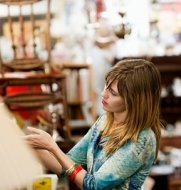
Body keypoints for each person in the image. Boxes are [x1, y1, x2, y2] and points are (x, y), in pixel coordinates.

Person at [24, 59, 162, 190]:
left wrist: (52, 147)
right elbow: (66, 164)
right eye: (106, 86)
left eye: (113, 93)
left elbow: (94, 185)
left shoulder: (142, 139)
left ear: (134, 101)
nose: (104, 94)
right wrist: (27, 144)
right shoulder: (105, 121)